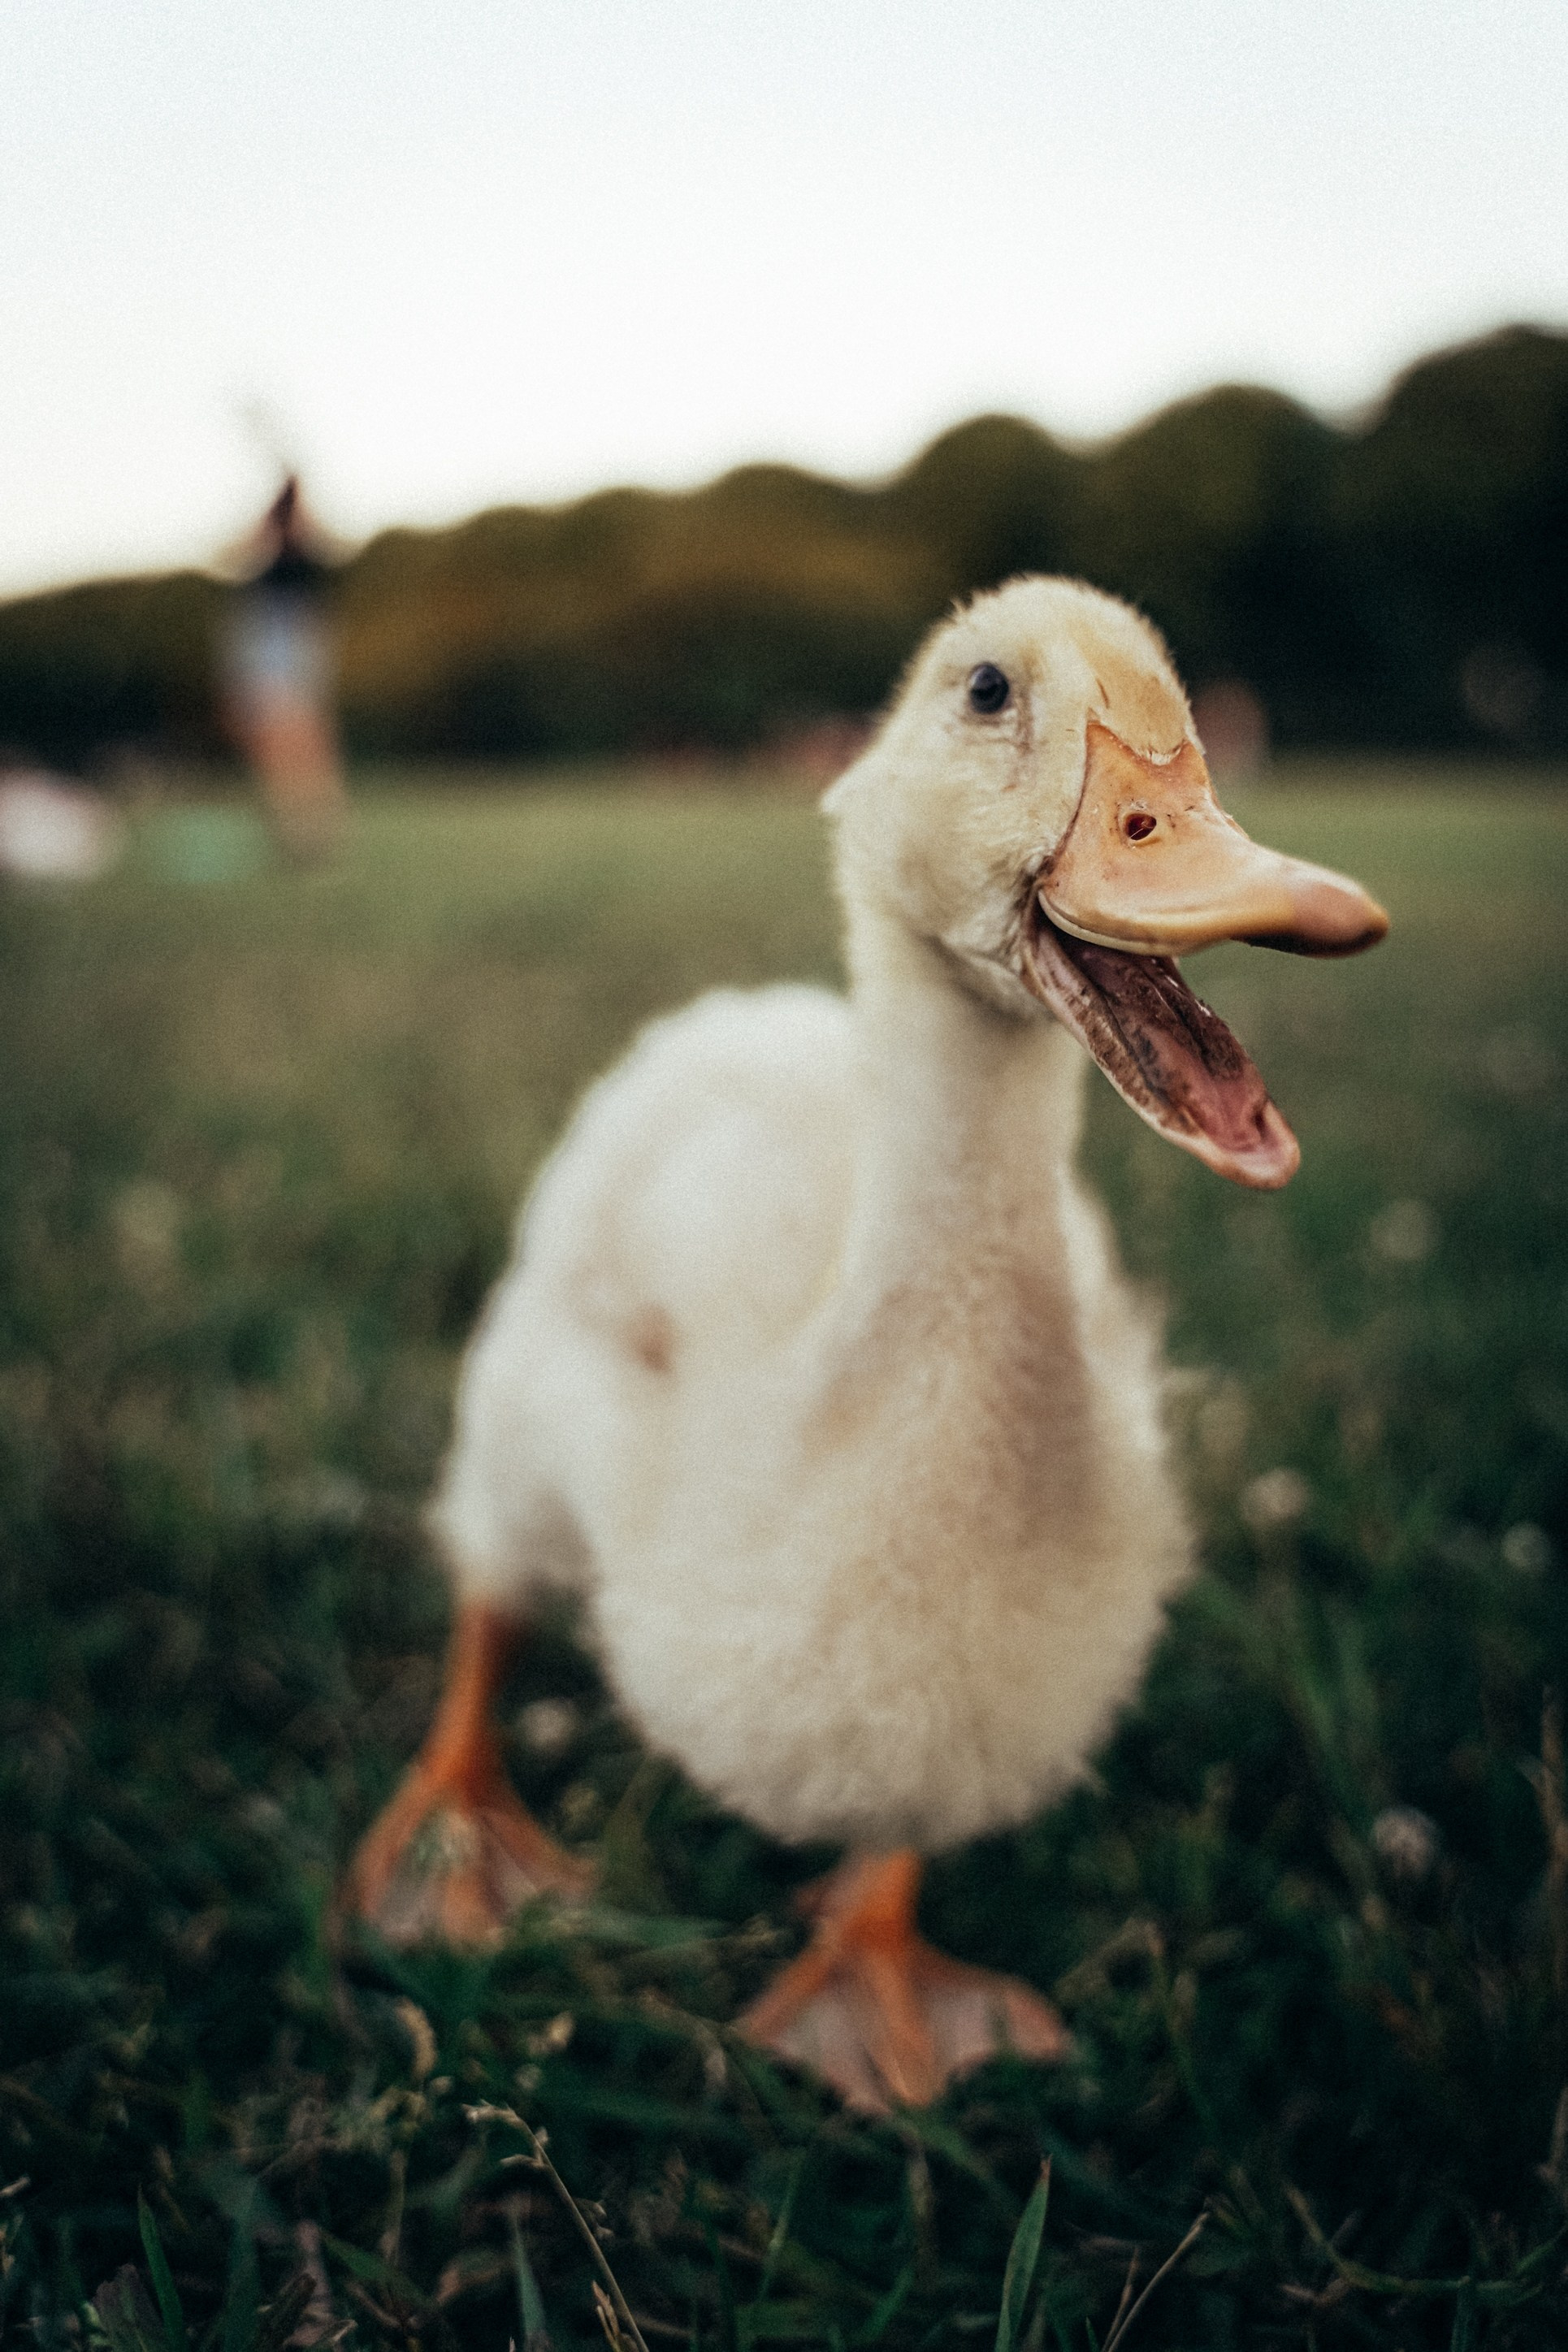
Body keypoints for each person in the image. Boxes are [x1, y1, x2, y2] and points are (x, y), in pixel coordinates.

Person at [223, 476, 348, 859]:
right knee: (281, 748)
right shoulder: (267, 561)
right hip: (274, 647)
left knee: (304, 744)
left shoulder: (305, 557)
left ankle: (316, 831)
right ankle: (299, 833)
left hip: (289, 647)